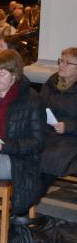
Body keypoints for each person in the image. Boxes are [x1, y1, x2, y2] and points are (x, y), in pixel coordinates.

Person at [0, 50, 44, 222]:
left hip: (15, 161)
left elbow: (37, 142)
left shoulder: (31, 99)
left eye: (1, 73)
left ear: (15, 74)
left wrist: (3, 146)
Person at [39, 48, 77, 188]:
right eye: (61, 61)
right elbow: (39, 103)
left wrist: (67, 126)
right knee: (29, 146)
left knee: (50, 155)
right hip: (47, 131)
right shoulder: (53, 81)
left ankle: (30, 196)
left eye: (68, 63)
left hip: (71, 138)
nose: (61, 65)